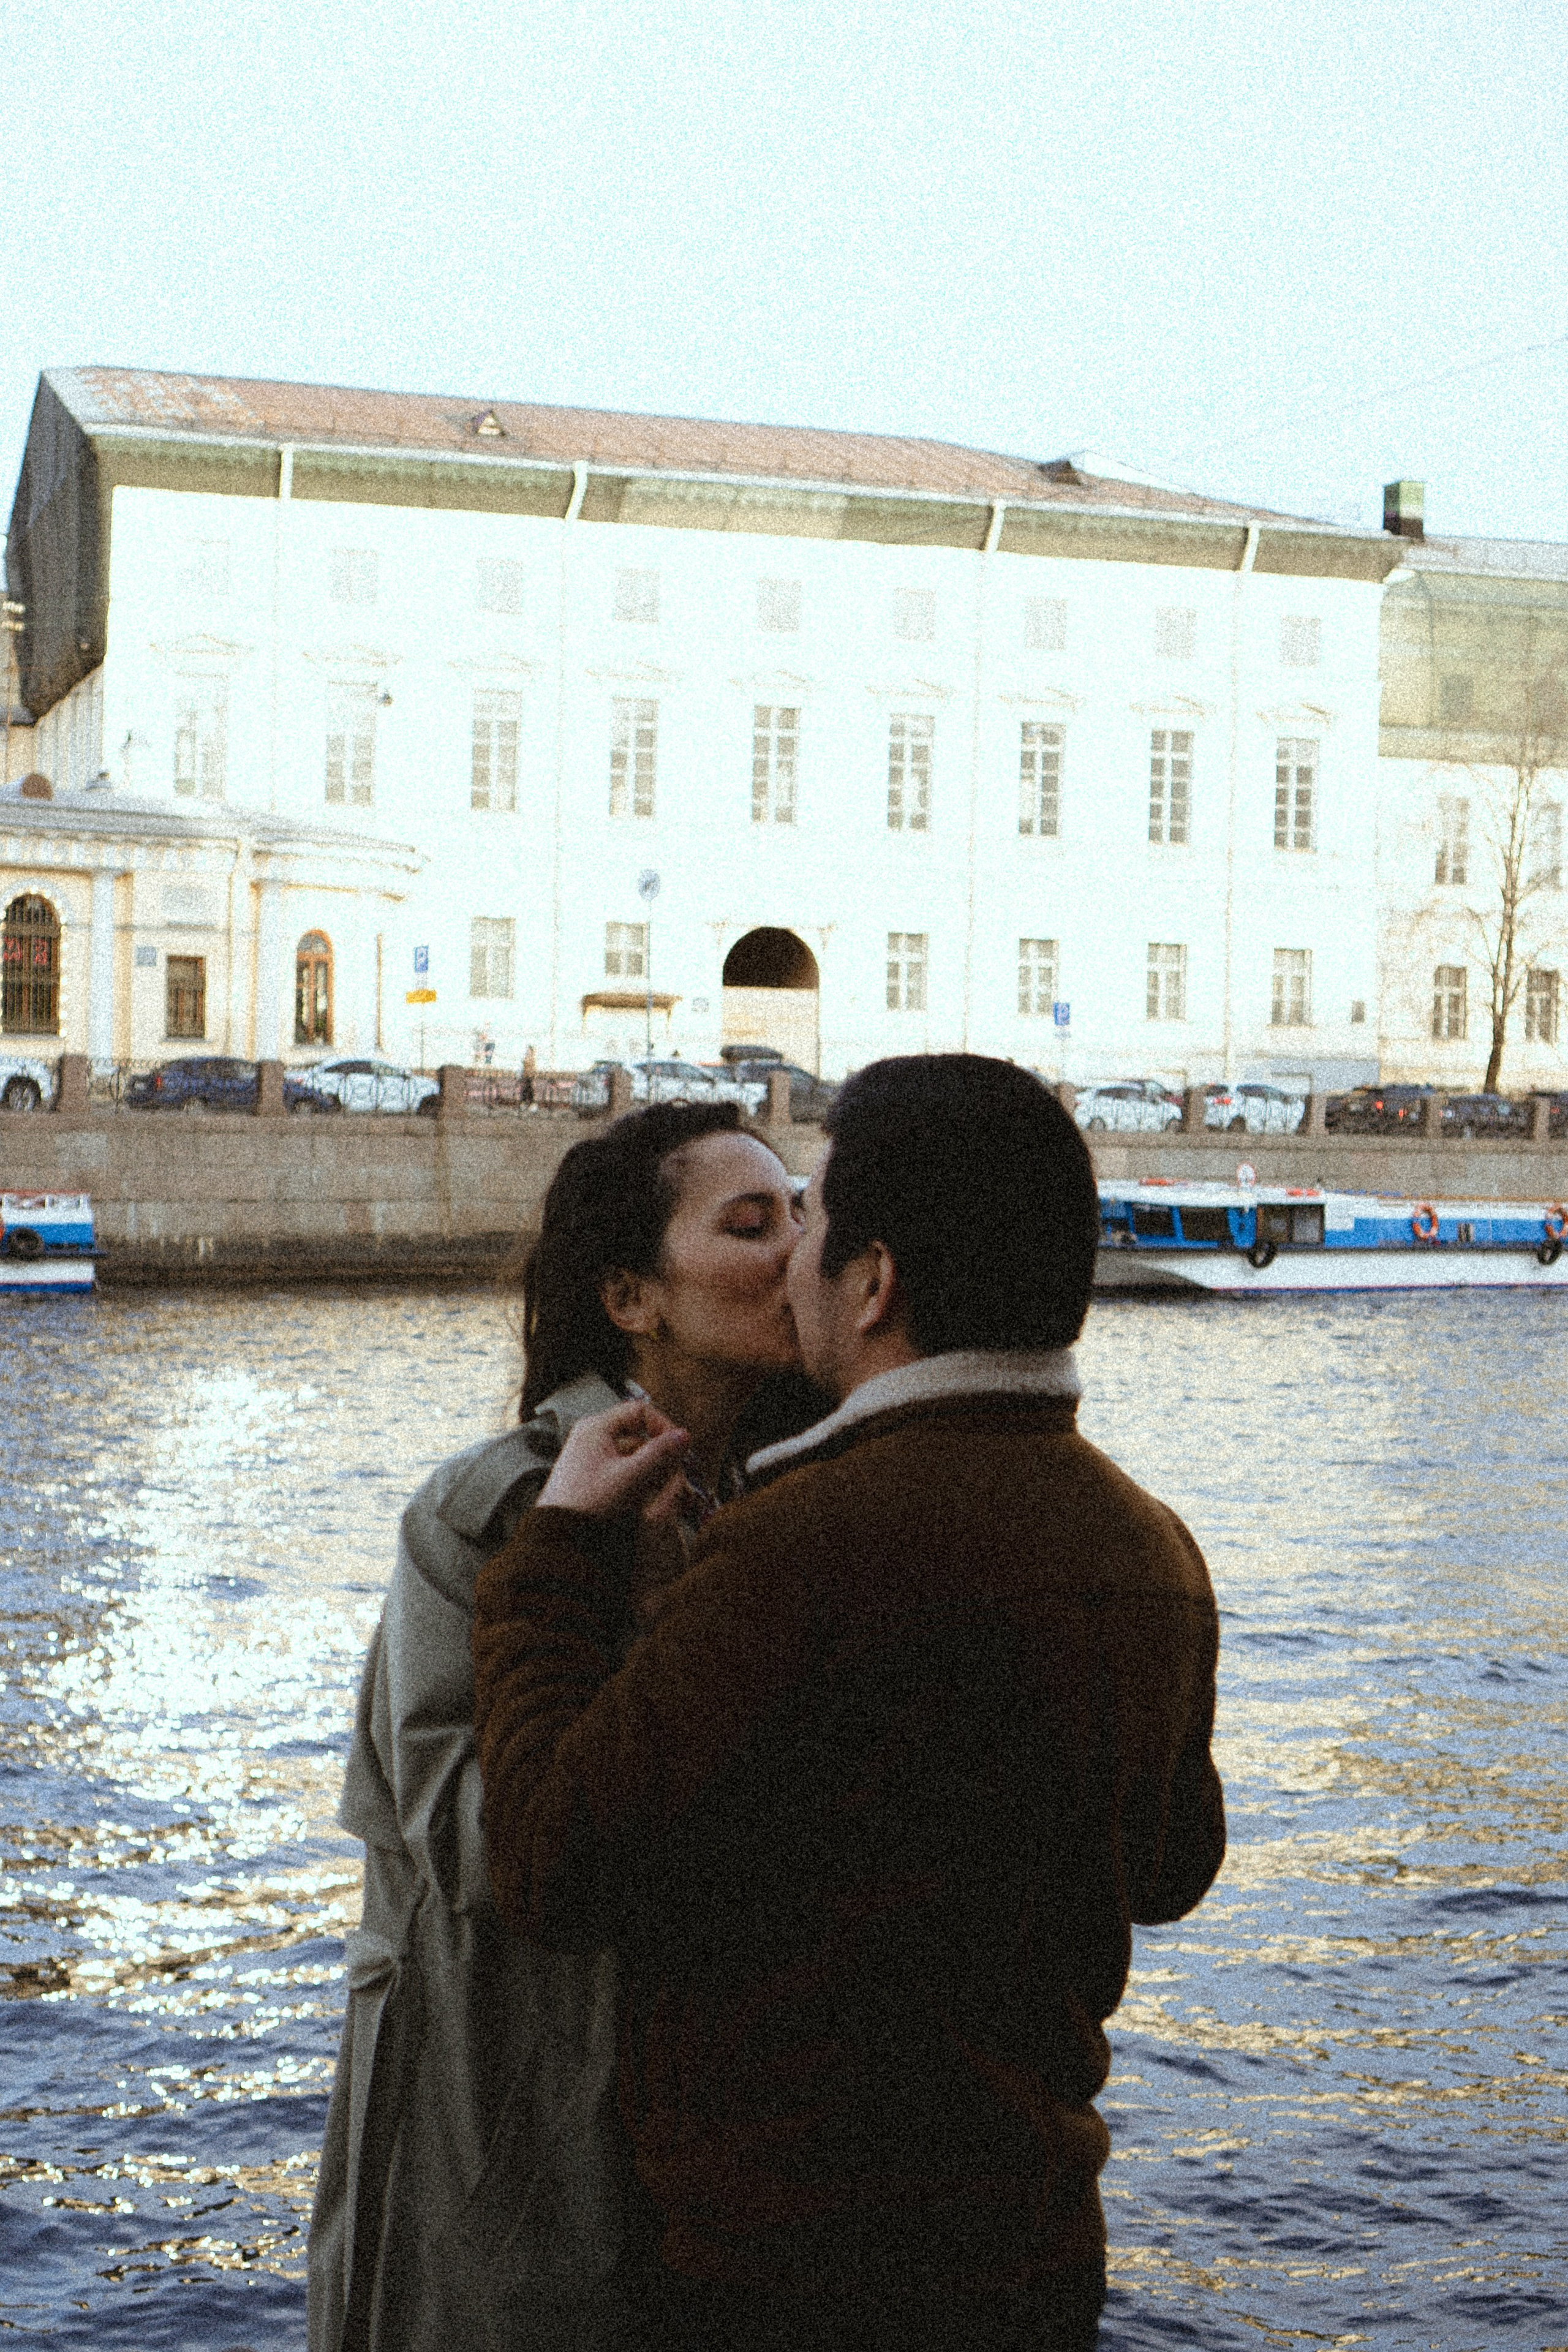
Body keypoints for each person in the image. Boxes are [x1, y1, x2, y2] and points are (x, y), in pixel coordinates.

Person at [472, 1054, 1227, 2352]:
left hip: (792, 2274)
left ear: (873, 1283)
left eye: (808, 1222)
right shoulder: (1150, 1544)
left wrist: (553, 1565)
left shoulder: (799, 1546)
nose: (789, 1259)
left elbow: (552, 1861)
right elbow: (1168, 1865)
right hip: (1032, 2255)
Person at [307, 1101, 812, 2352]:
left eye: (802, 1214)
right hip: (510, 2120)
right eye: (750, 1224)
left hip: (723, 2142)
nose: (795, 1248)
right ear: (632, 1297)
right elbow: (476, 1851)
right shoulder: (487, 1518)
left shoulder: (804, 1505)